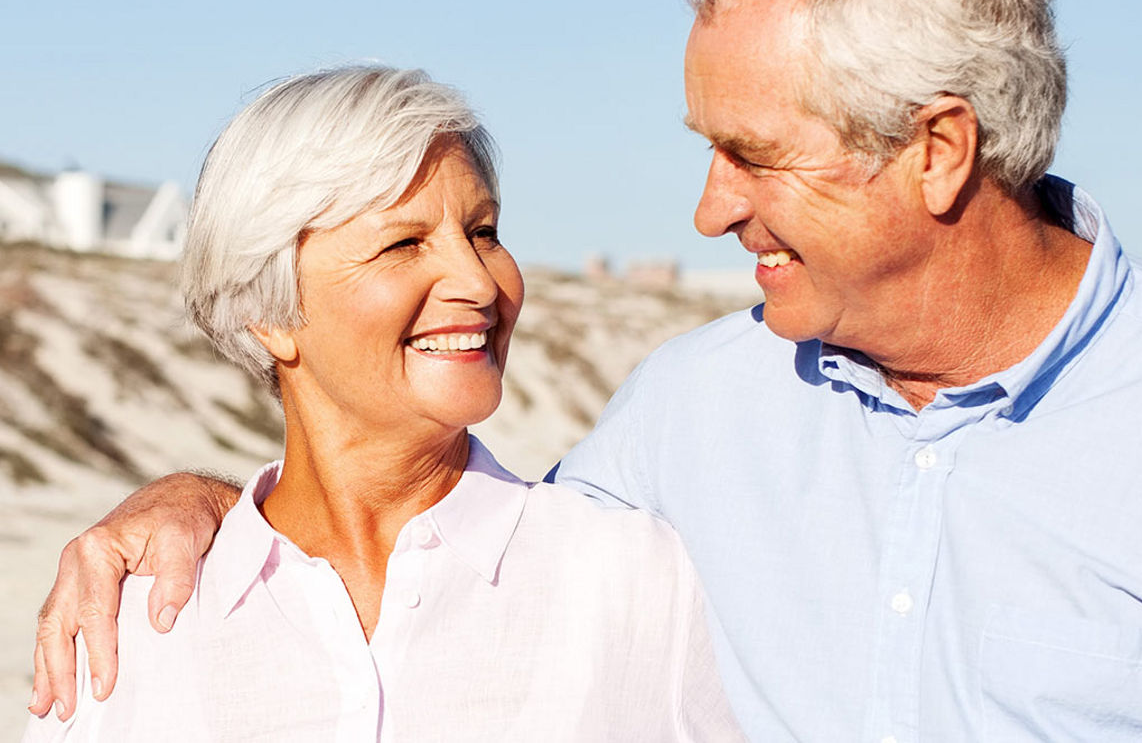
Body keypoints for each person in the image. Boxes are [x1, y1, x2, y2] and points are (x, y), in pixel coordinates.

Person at [31, 0, 1142, 739]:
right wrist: (198, 502)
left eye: (753, 154)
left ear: (938, 150)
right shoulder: (691, 413)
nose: (707, 208)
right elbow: (419, 502)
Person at [23, 66, 743, 741]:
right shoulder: (123, 631)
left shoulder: (645, 584)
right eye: (403, 243)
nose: (479, 283)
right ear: (267, 311)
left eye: (484, 232)